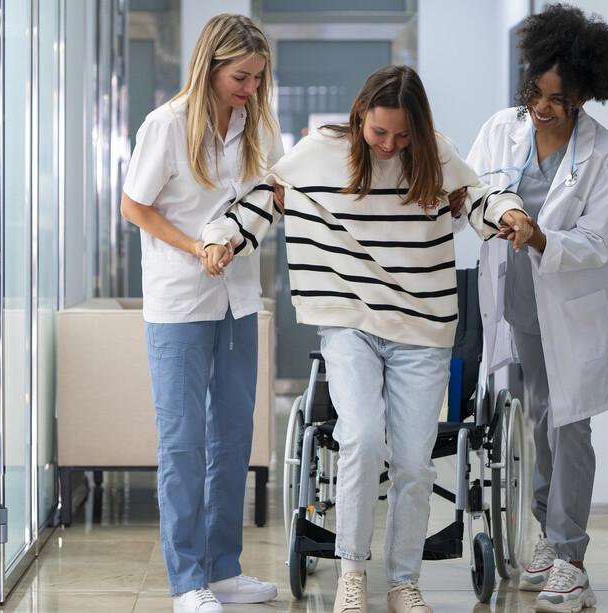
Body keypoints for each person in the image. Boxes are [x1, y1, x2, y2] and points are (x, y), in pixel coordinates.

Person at [201, 65, 532, 613]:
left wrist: (510, 213)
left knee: (414, 462)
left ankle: (404, 582)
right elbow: (266, 197)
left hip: (422, 327)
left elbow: (477, 197)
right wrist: (223, 239)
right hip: (350, 320)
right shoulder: (321, 152)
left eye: (402, 136)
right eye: (379, 133)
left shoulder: (434, 152)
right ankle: (353, 572)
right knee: (359, 437)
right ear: (360, 117)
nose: (389, 146)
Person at [465, 4, 608, 612]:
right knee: (540, 416)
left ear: (585, 94)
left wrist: (538, 237)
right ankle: (547, 531)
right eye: (535, 91)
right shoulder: (502, 128)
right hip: (519, 299)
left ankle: (571, 558)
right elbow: (475, 192)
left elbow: (594, 241)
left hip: (575, 304)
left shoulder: (603, 154)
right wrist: (503, 212)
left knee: (571, 422)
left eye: (557, 99)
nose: (541, 107)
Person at [119, 13, 283, 613]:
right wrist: (195, 247)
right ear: (211, 66)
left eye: (258, 79)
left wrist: (257, 219)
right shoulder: (164, 126)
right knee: (183, 443)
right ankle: (186, 580)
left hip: (238, 299)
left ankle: (223, 571)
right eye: (241, 77)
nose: (250, 89)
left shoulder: (256, 127)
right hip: (179, 302)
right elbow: (134, 206)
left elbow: (271, 195)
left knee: (233, 439)